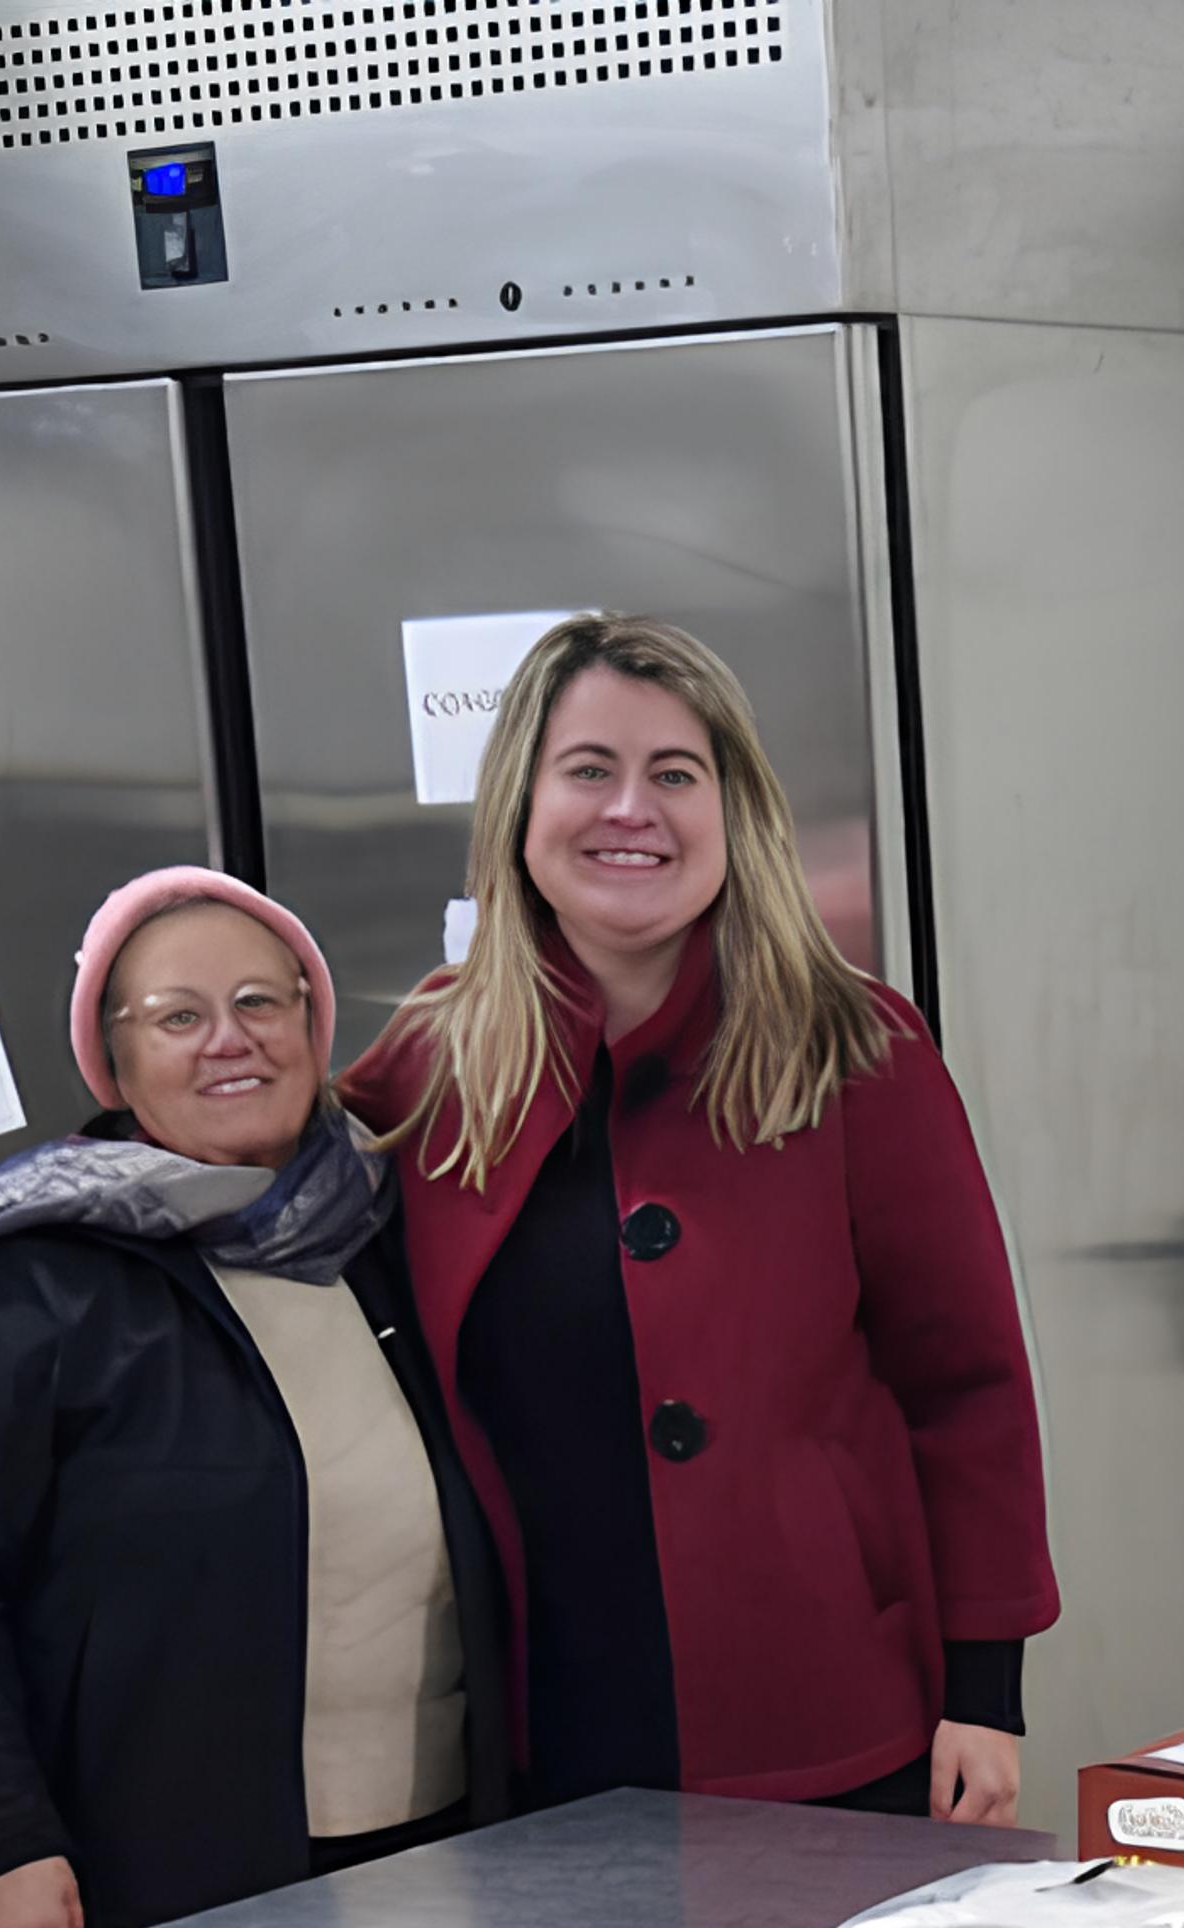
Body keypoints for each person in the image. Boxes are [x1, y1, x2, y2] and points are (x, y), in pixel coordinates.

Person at [359, 616, 1047, 1826]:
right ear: (521, 805)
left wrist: (987, 1695)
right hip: (532, 1750)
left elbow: (967, 1384)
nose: (633, 809)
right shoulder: (429, 1064)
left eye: (675, 775)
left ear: (735, 813)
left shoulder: (856, 1050)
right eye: (588, 771)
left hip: (831, 1728)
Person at [0, 868, 502, 1928]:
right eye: (178, 1017)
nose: (230, 1040)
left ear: (313, 1023)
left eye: (262, 1001)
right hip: (171, 1875)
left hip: (449, 1841)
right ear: (115, 1062)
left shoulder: (390, 1227)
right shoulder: (35, 1280)